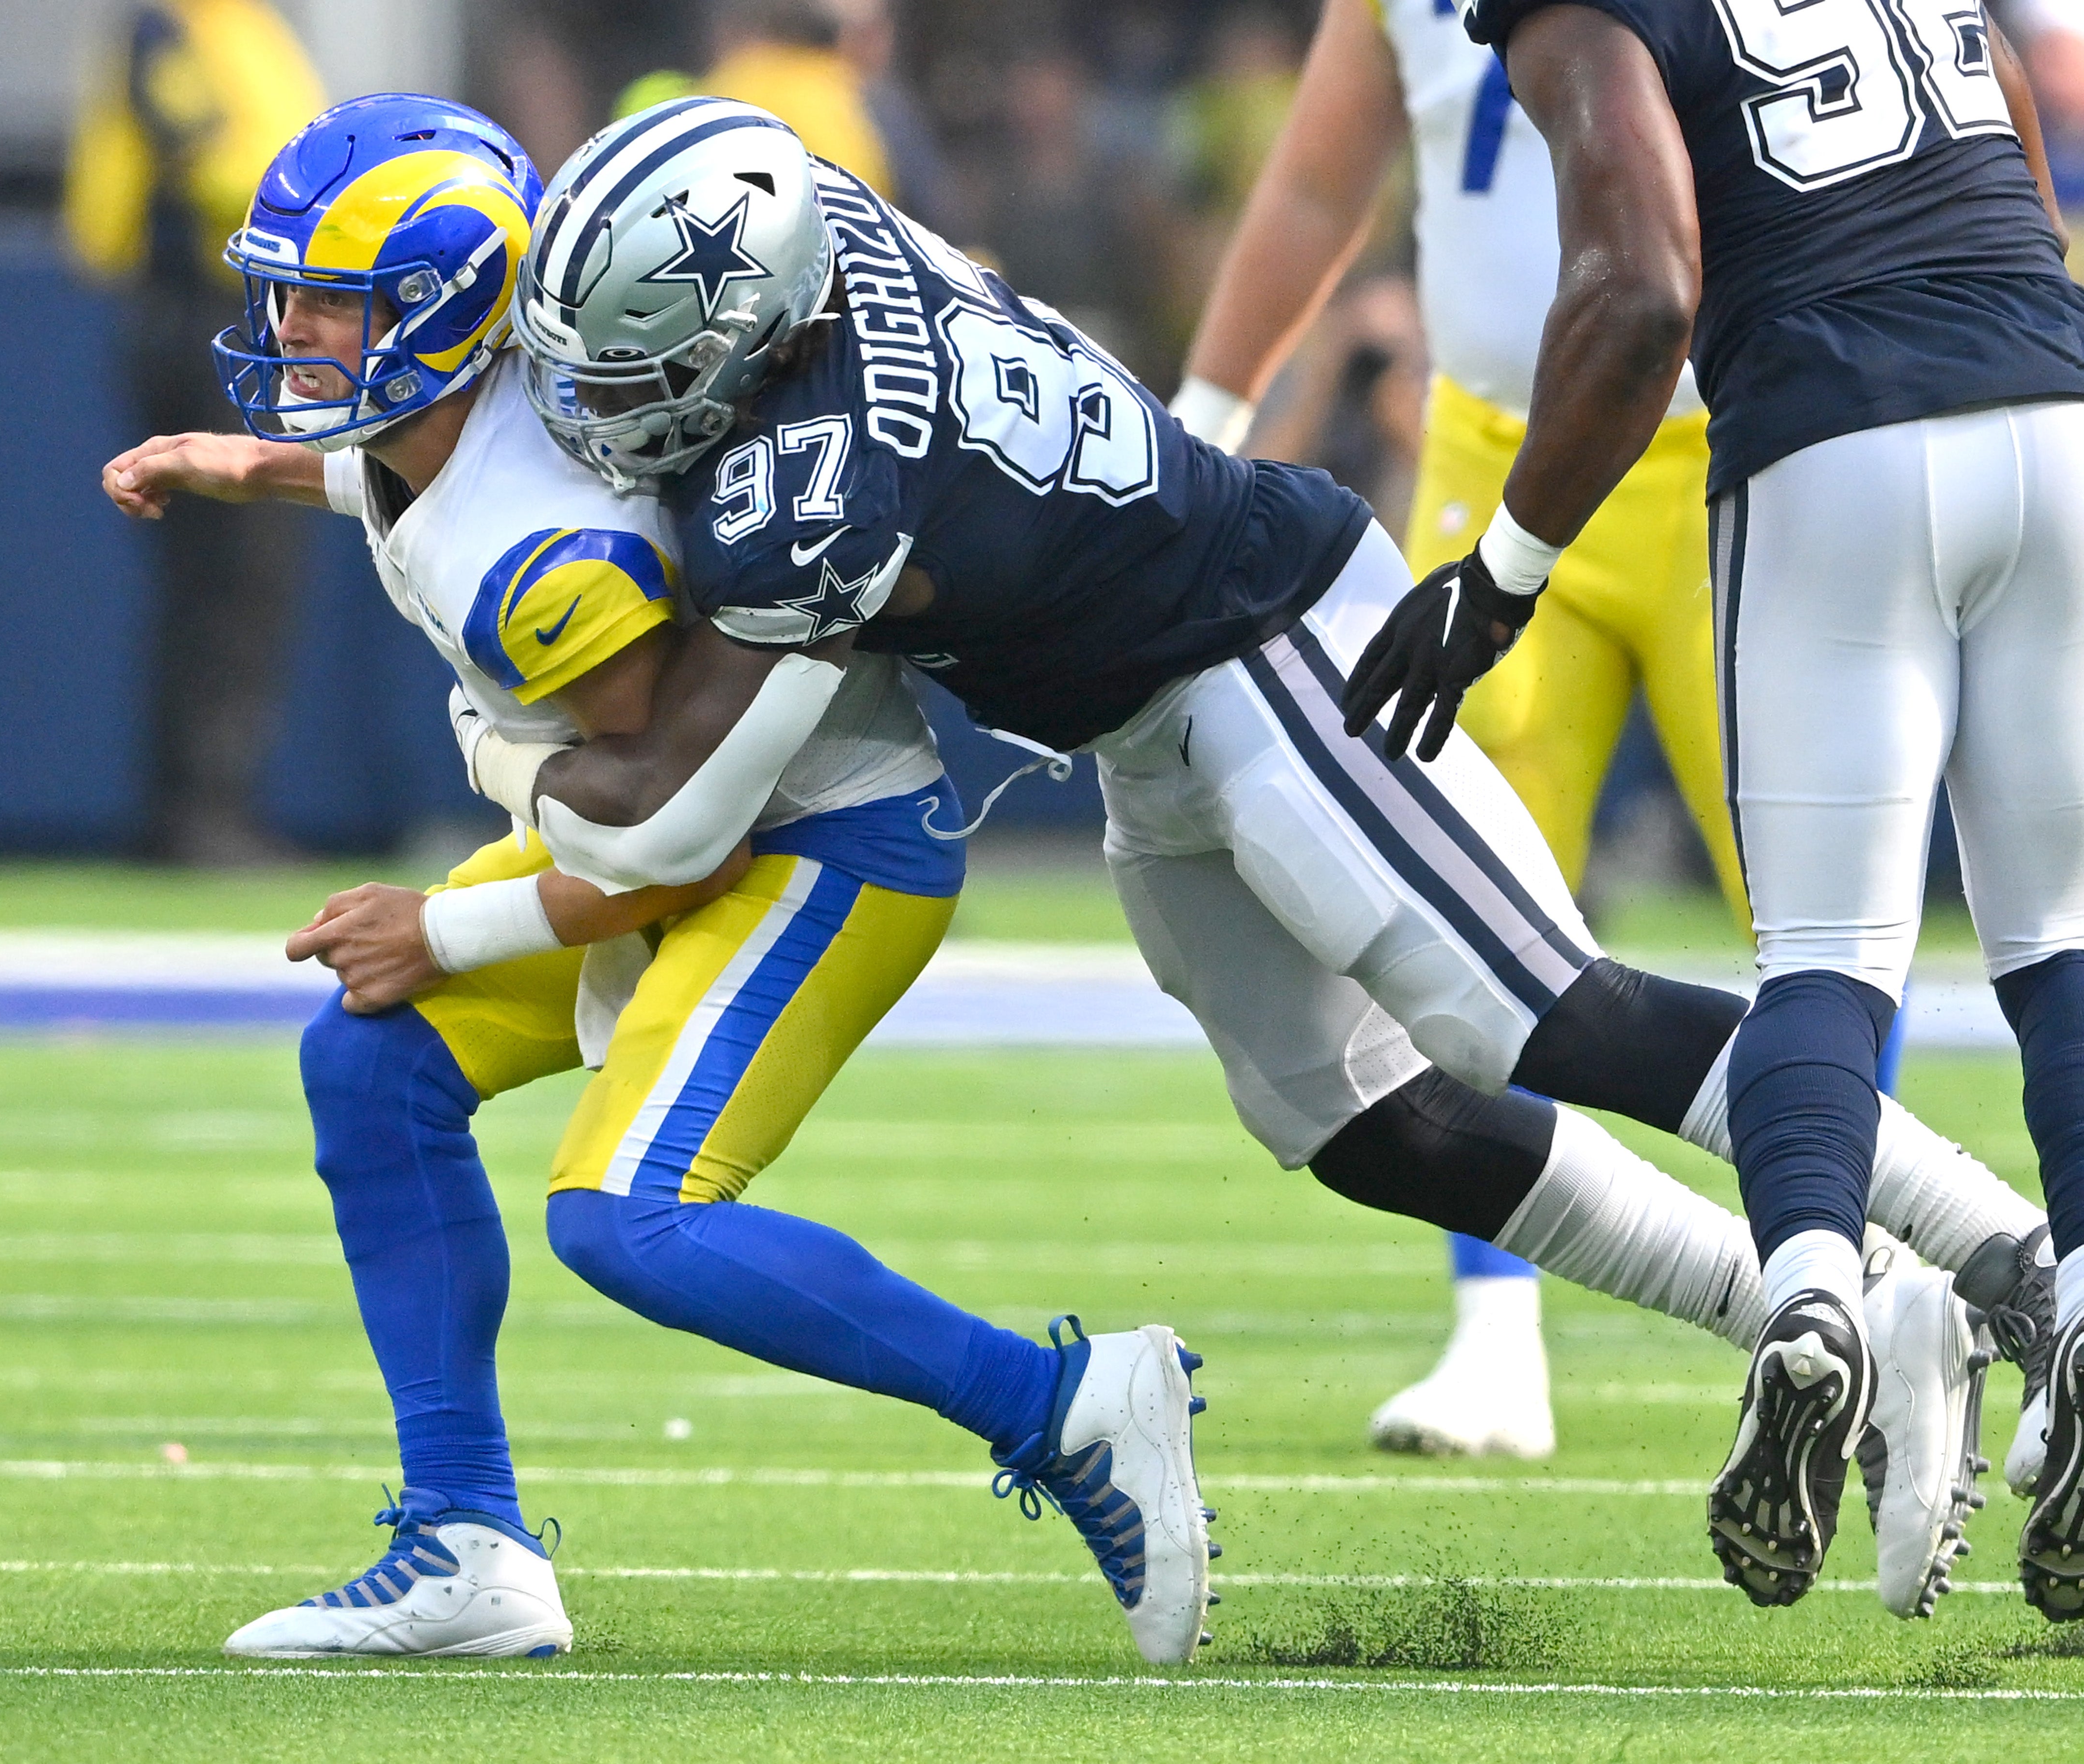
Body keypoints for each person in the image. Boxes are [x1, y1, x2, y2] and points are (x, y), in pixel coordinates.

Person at [499, 95, 2055, 1619]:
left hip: (1267, 643)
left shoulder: (810, 497)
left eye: (632, 371)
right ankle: (1840, 1307)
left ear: (752, 333)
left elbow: (675, 804)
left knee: (1534, 1012)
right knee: (1367, 1122)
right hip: (1149, 704)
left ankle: (2016, 1268)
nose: (597, 407)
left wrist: (502, 740)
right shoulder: (818, 210)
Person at [103, 93, 1216, 1665]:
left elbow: (662, 845)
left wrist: (441, 919)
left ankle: (1067, 1403)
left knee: (632, 1219)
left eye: (330, 302)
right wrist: (248, 461)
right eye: (285, 294)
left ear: (439, 306)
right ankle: (465, 1540)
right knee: (371, 1066)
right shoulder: (467, 417)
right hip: (684, 836)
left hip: (818, 850)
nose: (291, 331)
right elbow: (401, 473)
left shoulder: (542, 553)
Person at [1357, 0, 2084, 1615]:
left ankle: (1817, 1298)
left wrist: (1502, 575)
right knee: (2058, 940)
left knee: (1826, 955)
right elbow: (2021, 141)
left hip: (1839, 431)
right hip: (2053, 396)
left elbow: (1644, 286)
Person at [1164, 0, 1749, 1464]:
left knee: (1811, 916)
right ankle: (1498, 1332)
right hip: (1496, 450)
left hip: (1735, 440)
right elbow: (1314, 188)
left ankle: (1846, 1276)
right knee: (1454, 915)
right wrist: (1203, 414)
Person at [65, 0, 325, 864]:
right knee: (228, 574)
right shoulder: (173, 29)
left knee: (236, 581)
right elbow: (215, 166)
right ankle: (198, 813)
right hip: (205, 310)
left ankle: (208, 804)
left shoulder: (242, 27)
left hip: (234, 308)